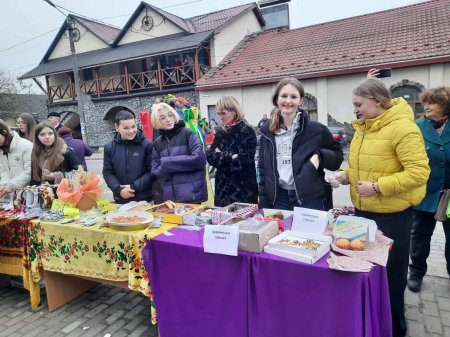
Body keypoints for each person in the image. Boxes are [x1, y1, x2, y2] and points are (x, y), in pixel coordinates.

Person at [332, 78, 430, 337]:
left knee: (392, 276)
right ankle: (372, 321)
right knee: (367, 271)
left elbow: (419, 173)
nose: (355, 110)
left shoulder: (403, 129)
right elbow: (365, 167)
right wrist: (346, 175)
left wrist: (377, 187)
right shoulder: (364, 128)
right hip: (364, 213)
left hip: (393, 217)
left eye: (358, 104)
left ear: (377, 101)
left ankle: (396, 327)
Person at [258, 78, 343, 211]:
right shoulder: (266, 133)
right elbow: (263, 170)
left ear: (301, 101)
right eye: (284, 96)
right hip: (279, 199)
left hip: (310, 199)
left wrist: (319, 156)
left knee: (311, 233)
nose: (288, 101)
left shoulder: (316, 130)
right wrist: (264, 203)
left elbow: (337, 159)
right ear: (276, 99)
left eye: (293, 97)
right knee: (282, 232)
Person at [407, 86, 450, 292]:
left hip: (449, 195)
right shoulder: (418, 127)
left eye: (432, 102)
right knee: (420, 236)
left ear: (445, 105)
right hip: (425, 193)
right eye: (425, 102)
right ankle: (415, 272)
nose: (426, 106)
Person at [206, 96, 258, 207]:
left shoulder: (246, 131)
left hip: (243, 190)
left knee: (244, 223)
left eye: (223, 113)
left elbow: (243, 162)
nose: (220, 117)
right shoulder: (220, 132)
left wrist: (221, 155)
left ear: (234, 111)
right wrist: (230, 156)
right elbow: (210, 157)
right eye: (218, 114)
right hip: (222, 190)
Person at [151, 103, 207, 204]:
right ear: (157, 121)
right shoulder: (157, 143)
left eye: (170, 115)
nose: (168, 119)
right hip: (169, 200)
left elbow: (199, 160)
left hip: (191, 196)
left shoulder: (188, 133)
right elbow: (155, 170)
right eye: (163, 118)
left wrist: (167, 163)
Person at [103, 111, 154, 204]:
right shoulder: (109, 147)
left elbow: (152, 171)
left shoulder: (147, 145)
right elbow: (107, 172)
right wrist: (119, 189)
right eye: (126, 128)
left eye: (133, 126)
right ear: (117, 127)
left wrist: (134, 187)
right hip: (121, 199)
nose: (131, 131)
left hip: (144, 198)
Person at [0, 120, 33, 197]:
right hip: (9, 196)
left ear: (4, 132)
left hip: (26, 194)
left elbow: (29, 172)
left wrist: (12, 185)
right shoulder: (1, 150)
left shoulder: (27, 145)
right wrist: (3, 185)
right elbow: (4, 172)